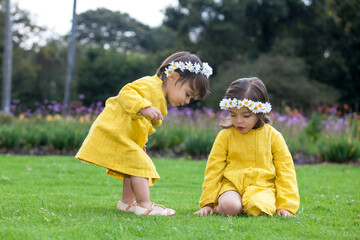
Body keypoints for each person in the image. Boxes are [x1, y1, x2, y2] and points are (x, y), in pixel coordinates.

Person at [76, 51, 212, 216]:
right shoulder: (150, 85)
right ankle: (144, 205)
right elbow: (126, 93)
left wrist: (140, 142)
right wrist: (144, 107)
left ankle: (126, 203)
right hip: (113, 130)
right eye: (188, 94)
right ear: (174, 77)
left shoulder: (158, 94)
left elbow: (139, 123)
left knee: (131, 165)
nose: (187, 101)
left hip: (123, 134)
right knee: (141, 165)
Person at [194, 77, 299, 217]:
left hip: (262, 188)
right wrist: (208, 203)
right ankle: (226, 206)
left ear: (259, 111)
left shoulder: (274, 136)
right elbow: (214, 170)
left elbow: (285, 171)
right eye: (233, 114)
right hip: (232, 187)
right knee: (229, 207)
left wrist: (286, 206)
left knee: (261, 208)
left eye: (246, 115)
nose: (238, 121)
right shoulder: (225, 136)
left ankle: (251, 205)